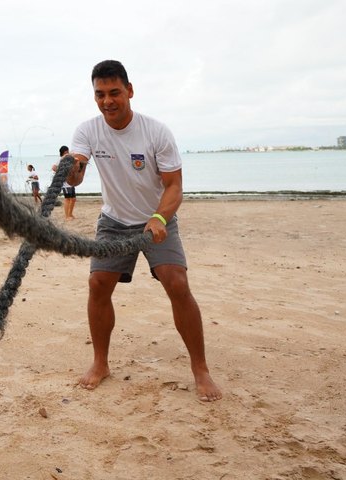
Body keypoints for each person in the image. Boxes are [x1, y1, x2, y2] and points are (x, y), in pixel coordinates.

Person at [66, 60, 222, 402]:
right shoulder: (88, 131)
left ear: (130, 91)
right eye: (100, 94)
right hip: (114, 222)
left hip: (157, 218)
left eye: (114, 93)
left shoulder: (156, 132)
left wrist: (160, 218)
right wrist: (69, 170)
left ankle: (200, 369)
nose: (107, 101)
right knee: (97, 284)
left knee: (177, 283)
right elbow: (76, 173)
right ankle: (100, 363)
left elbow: (174, 186)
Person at [53, 146, 77, 220]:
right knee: (67, 199)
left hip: (71, 182)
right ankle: (67, 216)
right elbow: (54, 168)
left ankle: (70, 214)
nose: (68, 152)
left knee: (73, 199)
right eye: (68, 151)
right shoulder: (60, 159)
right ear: (65, 151)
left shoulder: (67, 159)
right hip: (65, 183)